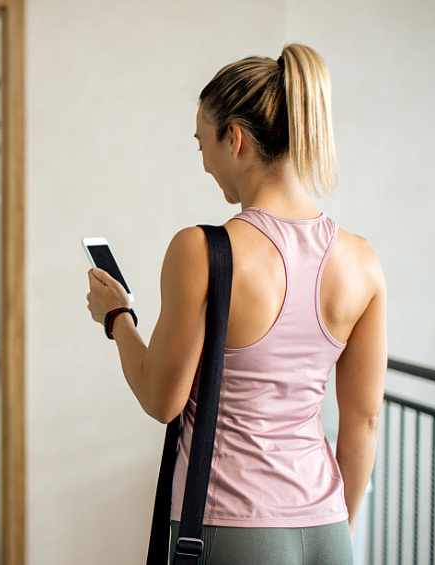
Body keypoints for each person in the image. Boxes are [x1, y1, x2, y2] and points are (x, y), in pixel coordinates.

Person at [86, 44, 387, 565]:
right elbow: (363, 422)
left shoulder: (201, 250)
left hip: (233, 527)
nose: (203, 161)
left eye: (202, 142)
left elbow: (162, 400)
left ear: (235, 139)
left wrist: (117, 319)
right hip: (327, 527)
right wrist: (337, 529)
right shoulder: (362, 260)